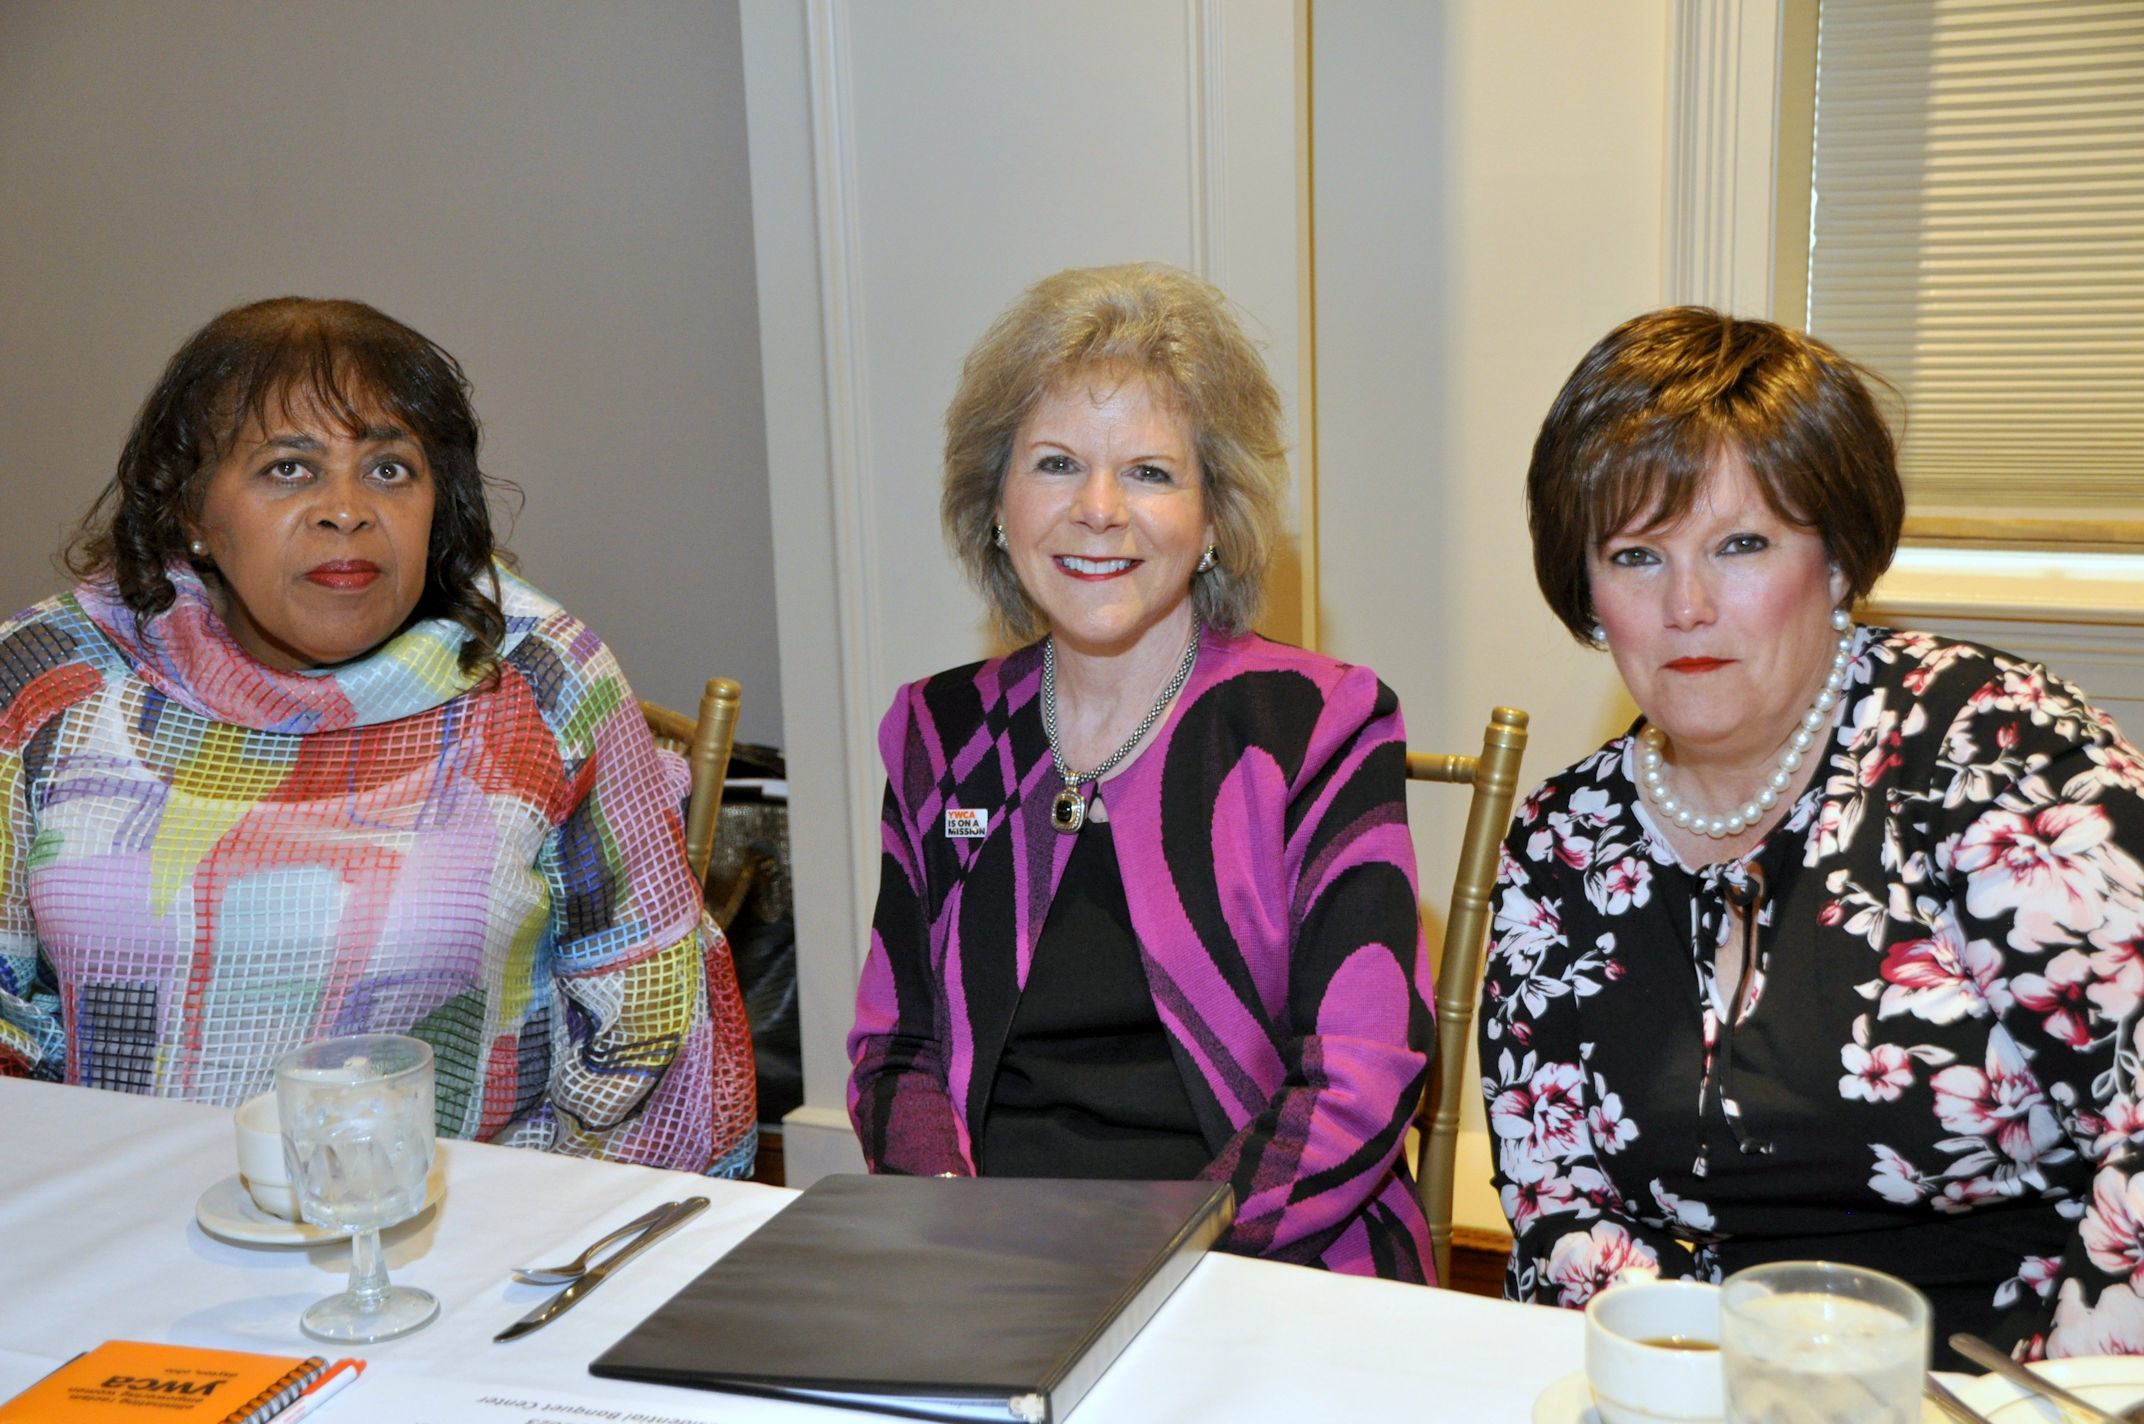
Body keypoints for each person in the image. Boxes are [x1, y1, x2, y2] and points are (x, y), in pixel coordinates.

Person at [1487, 305, 2144, 1357]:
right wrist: (1679, 1381)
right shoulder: (1563, 841)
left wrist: (2051, 1397)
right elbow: (1557, 1200)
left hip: (1999, 1377)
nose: (1686, 605)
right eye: (1635, 555)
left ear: (1836, 561)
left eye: (1740, 545)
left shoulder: (1997, 755)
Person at [0, 297, 757, 1176]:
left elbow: (652, 1016)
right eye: (288, 468)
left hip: (465, 1217)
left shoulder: (542, 678)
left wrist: (527, 1216)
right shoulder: (48, 679)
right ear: (192, 511)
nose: (346, 511)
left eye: (390, 469)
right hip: (116, 1207)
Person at [847, 264, 1433, 1280]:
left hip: (1253, 1263)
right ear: (996, 504)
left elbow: (1359, 1076)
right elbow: (896, 1048)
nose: (1098, 508)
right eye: (1056, 463)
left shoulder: (1315, 726)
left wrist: (1151, 1265)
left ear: (1213, 520)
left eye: (1151, 472)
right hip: (990, 1262)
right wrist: (955, 1227)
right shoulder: (940, 730)